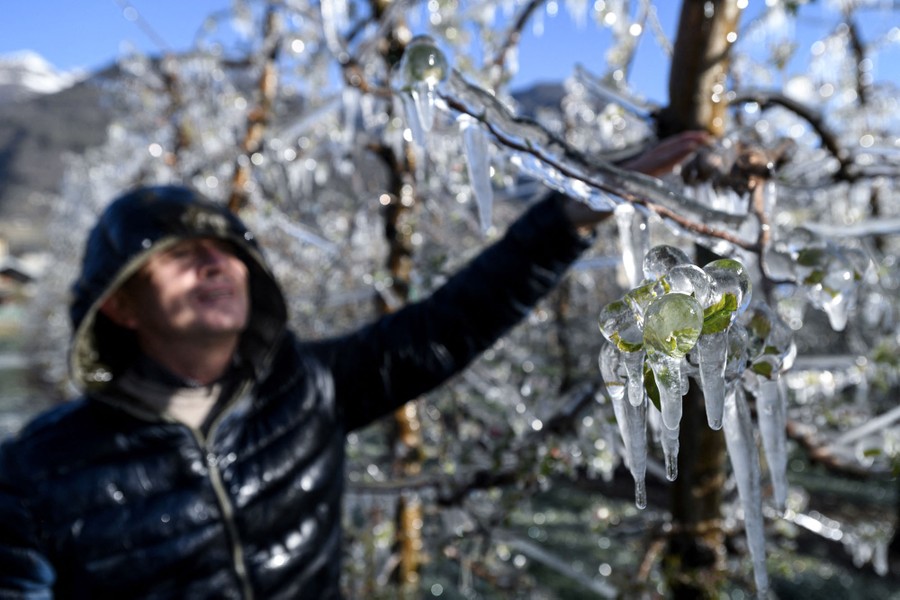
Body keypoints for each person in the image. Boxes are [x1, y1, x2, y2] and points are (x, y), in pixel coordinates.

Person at [0, 132, 707, 599]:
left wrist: (570, 211)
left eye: (226, 251)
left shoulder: (306, 391)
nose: (215, 262)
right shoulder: (38, 471)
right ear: (119, 308)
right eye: (180, 256)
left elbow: (452, 322)